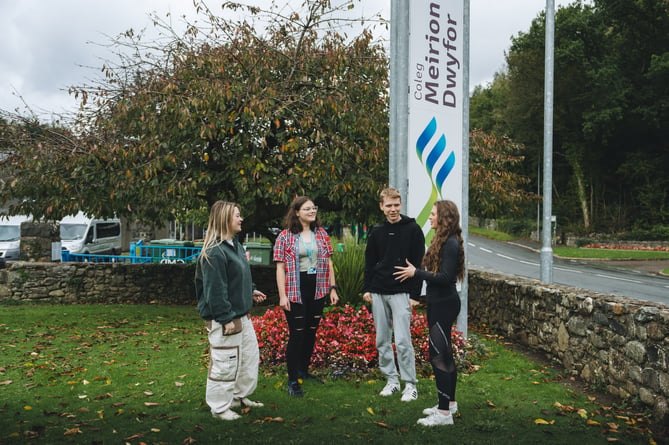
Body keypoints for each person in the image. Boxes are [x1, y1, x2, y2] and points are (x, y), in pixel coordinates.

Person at [195, 201, 267, 421]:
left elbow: (239, 276)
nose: (241, 219)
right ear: (225, 219)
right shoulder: (215, 252)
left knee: (247, 358)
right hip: (226, 318)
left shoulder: (235, 244)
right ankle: (219, 408)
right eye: (237, 215)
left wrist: (251, 290)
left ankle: (238, 396)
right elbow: (215, 291)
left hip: (241, 315)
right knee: (225, 363)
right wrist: (225, 318)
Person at [394, 200, 464, 426]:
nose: (430, 217)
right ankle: (449, 404)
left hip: (444, 303)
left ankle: (443, 414)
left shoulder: (451, 244)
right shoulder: (443, 241)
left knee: (438, 356)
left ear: (444, 217)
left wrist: (416, 273)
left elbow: (445, 278)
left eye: (433, 214)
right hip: (439, 302)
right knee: (444, 354)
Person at [362, 187, 425, 402]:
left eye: (396, 205)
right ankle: (391, 381)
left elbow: (419, 263)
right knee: (382, 340)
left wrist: (415, 295)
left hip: (402, 292)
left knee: (403, 341)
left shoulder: (413, 229)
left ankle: (410, 385)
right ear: (381, 207)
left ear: (401, 205)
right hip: (379, 291)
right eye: (388, 205)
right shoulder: (377, 231)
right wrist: (367, 288)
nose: (393, 209)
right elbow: (369, 262)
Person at [273, 196, 339, 397]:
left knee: (311, 331)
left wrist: (332, 288)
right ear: (297, 212)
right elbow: (280, 268)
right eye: (307, 209)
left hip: (317, 288)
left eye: (314, 208)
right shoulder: (285, 236)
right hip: (295, 289)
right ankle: (293, 380)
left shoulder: (321, 234)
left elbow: (328, 263)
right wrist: (283, 296)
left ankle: (303, 370)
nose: (312, 211)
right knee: (297, 334)